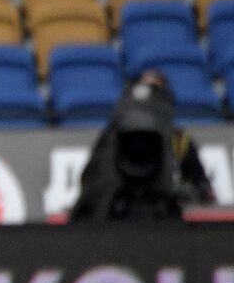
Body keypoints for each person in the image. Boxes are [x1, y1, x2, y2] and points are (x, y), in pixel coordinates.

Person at [69, 70, 214, 222]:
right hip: (113, 219)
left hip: (162, 220)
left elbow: (203, 190)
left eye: (155, 90)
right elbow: (89, 182)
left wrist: (181, 190)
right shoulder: (110, 138)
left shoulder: (179, 140)